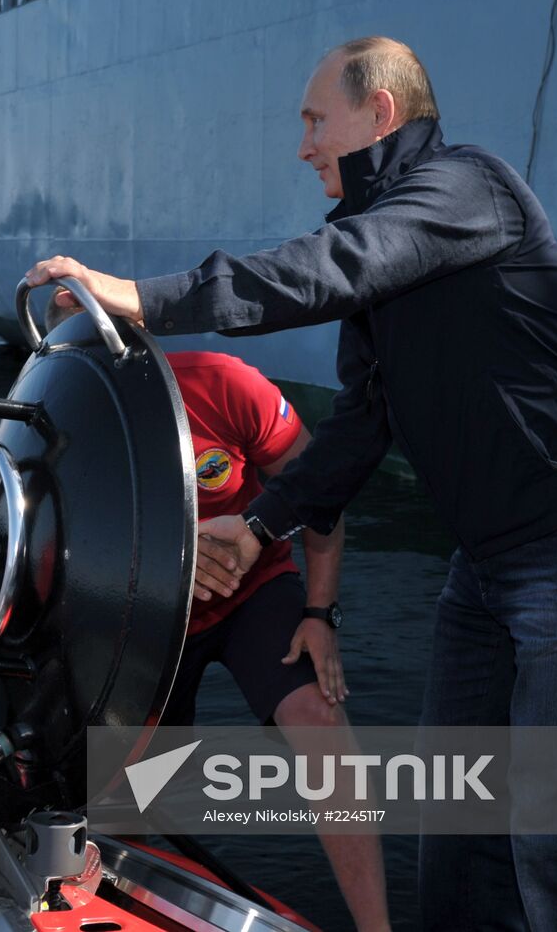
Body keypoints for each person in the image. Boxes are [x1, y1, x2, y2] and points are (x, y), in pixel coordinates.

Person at [26, 36, 557, 931]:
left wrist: (139, 294)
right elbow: (364, 423)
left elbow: (327, 270)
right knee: (456, 820)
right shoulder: (383, 246)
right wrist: (257, 526)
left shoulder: (464, 189)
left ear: (381, 114)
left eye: (315, 120)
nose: (304, 145)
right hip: (486, 565)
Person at [47, 296, 391, 931]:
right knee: (123, 796)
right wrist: (168, 553)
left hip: (253, 592)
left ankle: (378, 927)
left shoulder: (224, 383)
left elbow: (322, 495)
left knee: (321, 722)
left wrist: (320, 613)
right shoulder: (59, 431)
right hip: (146, 622)